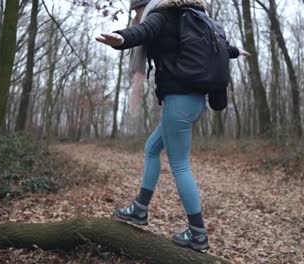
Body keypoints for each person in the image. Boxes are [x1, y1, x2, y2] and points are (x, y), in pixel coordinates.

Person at [96, 0, 249, 252]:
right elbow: (215, 48)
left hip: (178, 102)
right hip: (196, 102)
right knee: (152, 148)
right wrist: (235, 51)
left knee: (180, 166)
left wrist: (121, 39)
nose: (137, 16)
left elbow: (143, 32)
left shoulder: (163, 15)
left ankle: (198, 233)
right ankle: (140, 208)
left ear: (146, 6)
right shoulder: (193, 18)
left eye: (137, 11)